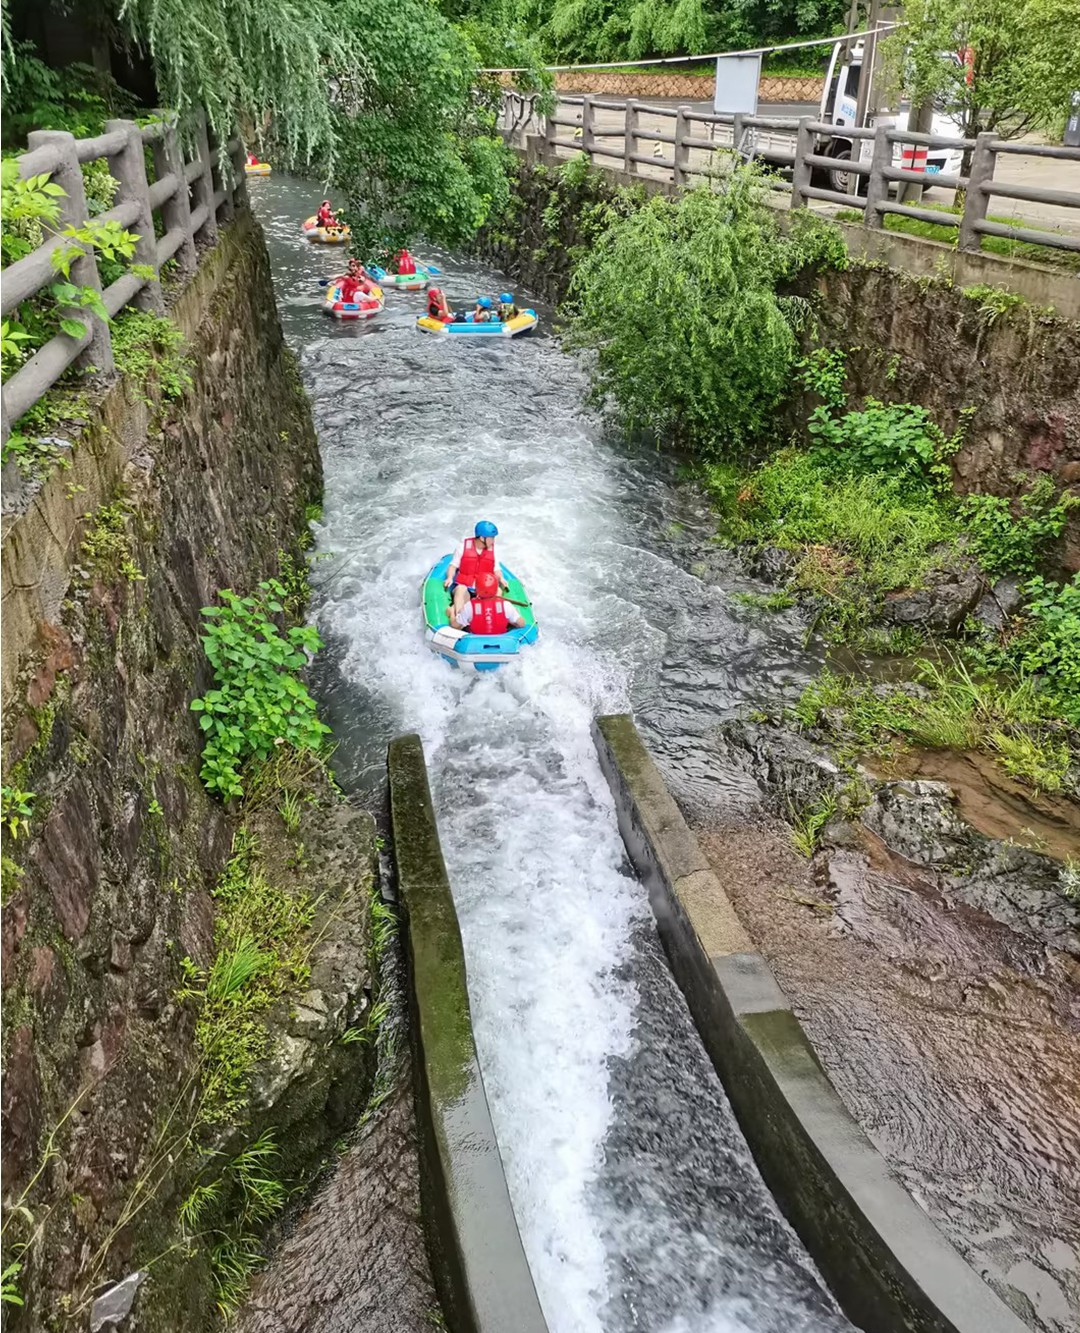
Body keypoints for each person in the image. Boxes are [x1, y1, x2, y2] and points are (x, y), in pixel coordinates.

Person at [444, 520, 509, 613]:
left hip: (484, 589)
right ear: (482, 538)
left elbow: (496, 569)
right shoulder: (462, 547)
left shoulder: (493, 550)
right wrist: (449, 578)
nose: (493, 541)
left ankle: (490, 617)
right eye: (491, 538)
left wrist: (501, 579)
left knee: (498, 591)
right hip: (466, 586)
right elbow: (453, 566)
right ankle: (459, 617)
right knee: (461, 589)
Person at [450, 571, 525, 635]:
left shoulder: (469, 606)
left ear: (477, 590)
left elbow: (455, 626)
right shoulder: (506, 606)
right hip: (502, 640)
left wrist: (451, 613)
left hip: (475, 641)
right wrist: (515, 613)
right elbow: (521, 624)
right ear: (496, 590)